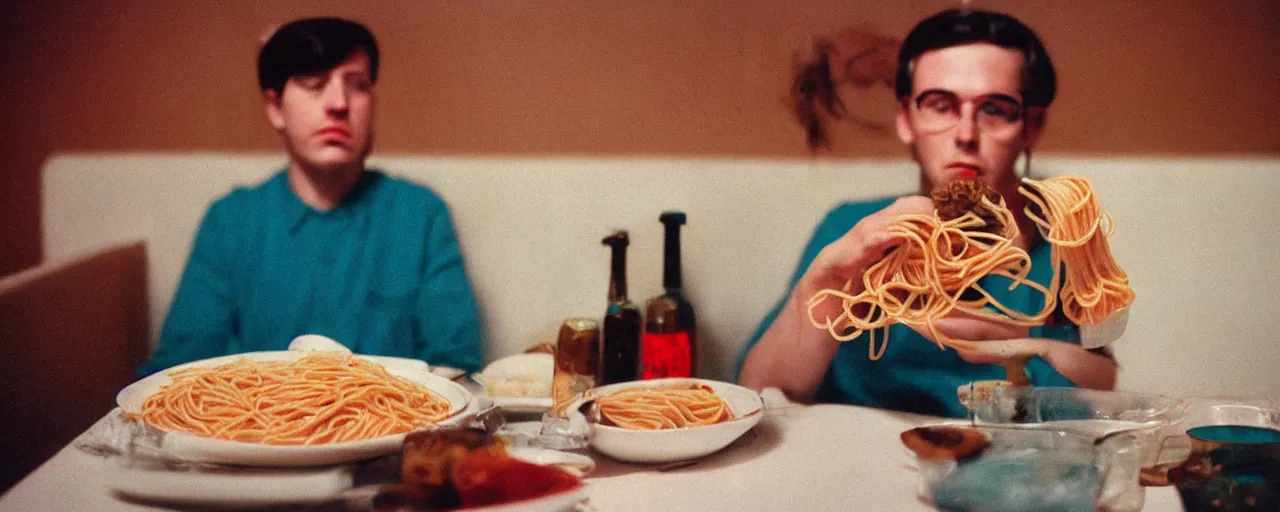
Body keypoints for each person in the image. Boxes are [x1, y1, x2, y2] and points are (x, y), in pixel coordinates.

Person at [736, 8, 1118, 417]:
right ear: (906, 119)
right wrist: (825, 286)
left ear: (1031, 126)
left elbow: (1102, 382)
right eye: (940, 105)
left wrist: (1026, 341)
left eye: (994, 109)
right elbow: (758, 395)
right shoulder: (851, 229)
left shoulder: (1063, 245)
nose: (966, 134)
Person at [137, 17, 483, 377]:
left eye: (358, 85)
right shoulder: (231, 222)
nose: (338, 103)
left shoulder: (420, 215)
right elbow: (179, 369)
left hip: (398, 430)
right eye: (313, 84)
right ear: (275, 108)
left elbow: (455, 366)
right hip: (256, 431)